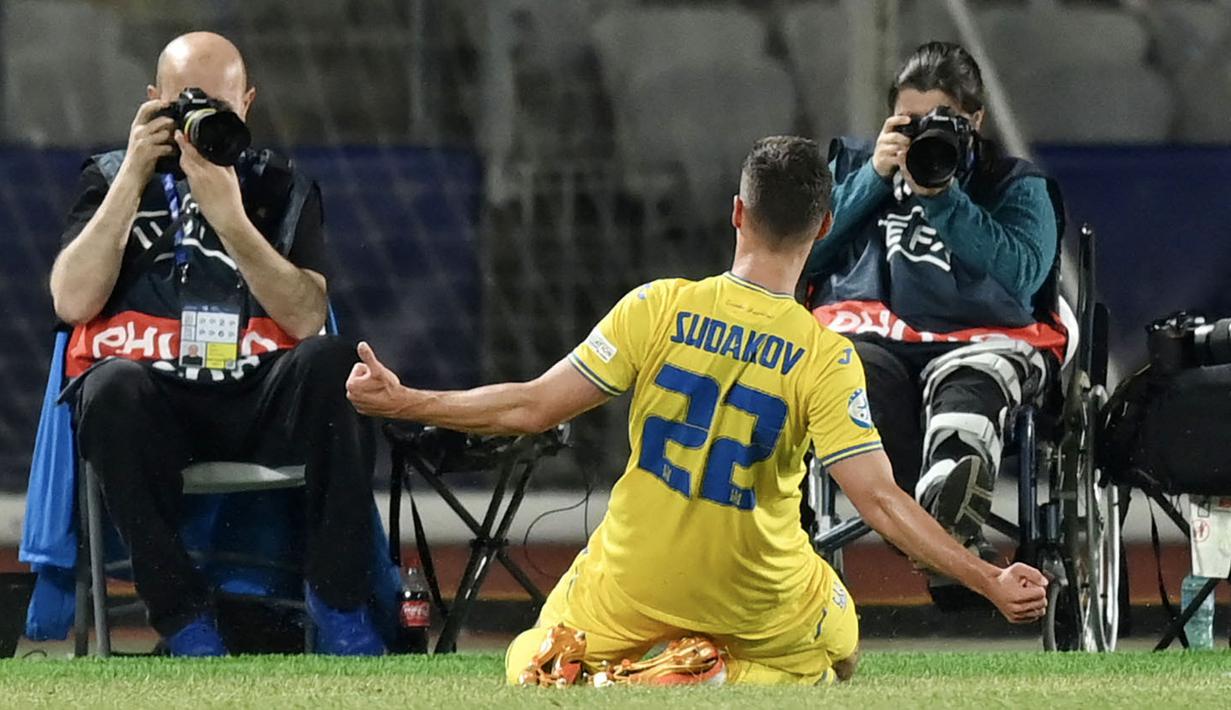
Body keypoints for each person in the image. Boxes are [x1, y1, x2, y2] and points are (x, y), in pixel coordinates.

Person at [347, 136, 1048, 686]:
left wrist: (403, 399)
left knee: (533, 652)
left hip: (634, 582)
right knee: (837, 654)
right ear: (825, 227)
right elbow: (881, 502)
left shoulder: (656, 307)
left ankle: (609, 671)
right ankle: (722, 675)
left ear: (737, 212)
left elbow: (531, 406)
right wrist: (988, 578)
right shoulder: (825, 355)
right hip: (756, 595)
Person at [49, 32, 382, 656]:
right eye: (184, 105)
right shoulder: (108, 177)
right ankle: (184, 619)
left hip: (258, 393)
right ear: (153, 100)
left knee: (337, 363)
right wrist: (133, 177)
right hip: (158, 403)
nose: (199, 122)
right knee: (108, 387)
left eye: (218, 108)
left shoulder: (280, 184)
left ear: (246, 104)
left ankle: (340, 604)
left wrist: (231, 219)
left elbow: (307, 317)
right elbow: (71, 302)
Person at [804, 42, 1066, 605]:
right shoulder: (857, 171)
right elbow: (800, 253)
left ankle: (946, 499)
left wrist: (945, 200)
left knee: (972, 387)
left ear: (975, 120)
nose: (924, 134)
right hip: (876, 335)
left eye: (940, 121)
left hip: (981, 338)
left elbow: (1022, 273)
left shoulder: (1015, 185)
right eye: (910, 121)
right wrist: (873, 178)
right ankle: (946, 533)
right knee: (854, 378)